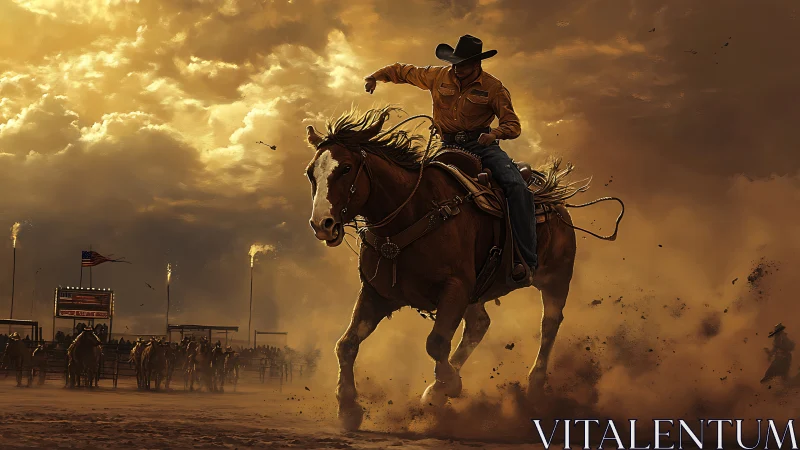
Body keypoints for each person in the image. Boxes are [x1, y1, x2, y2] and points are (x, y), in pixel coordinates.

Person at [364, 34, 537, 278]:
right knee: (413, 186)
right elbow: (403, 71)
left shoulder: (493, 87)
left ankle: (526, 259)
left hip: (482, 146)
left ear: (477, 64)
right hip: (445, 146)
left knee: (516, 187)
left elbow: (513, 124)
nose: (457, 68)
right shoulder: (438, 76)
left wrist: (494, 134)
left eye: (463, 64)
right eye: (455, 62)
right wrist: (375, 77)